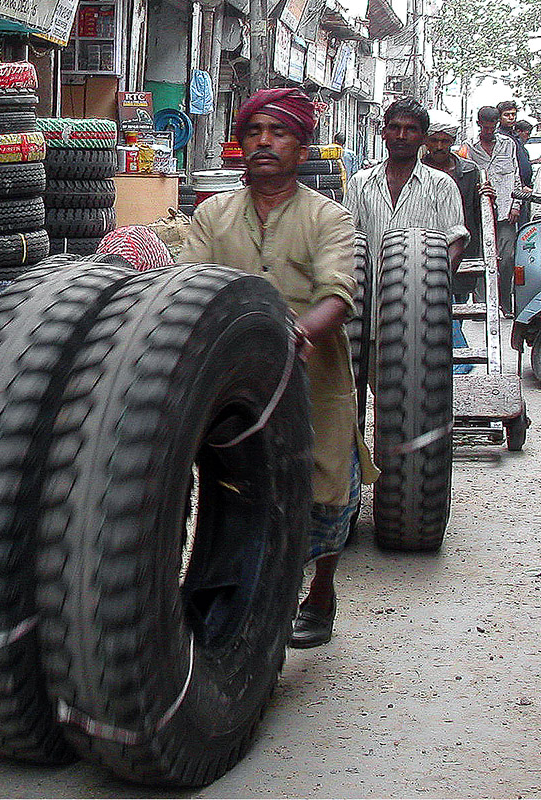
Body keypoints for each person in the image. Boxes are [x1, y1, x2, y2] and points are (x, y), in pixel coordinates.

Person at [180, 88, 378, 649]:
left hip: (314, 377)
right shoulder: (211, 216)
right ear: (238, 145)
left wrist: (295, 334)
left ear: (302, 145)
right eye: (253, 133)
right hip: (233, 384)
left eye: (279, 133)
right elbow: (190, 286)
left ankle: (321, 591)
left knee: (326, 486)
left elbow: (338, 293)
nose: (264, 143)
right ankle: (251, 597)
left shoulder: (328, 218)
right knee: (237, 485)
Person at [344, 99, 469, 277]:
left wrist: (430, 287)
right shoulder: (360, 183)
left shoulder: (442, 185)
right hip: (368, 299)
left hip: (422, 301)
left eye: (410, 129)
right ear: (384, 133)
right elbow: (345, 240)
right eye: (394, 128)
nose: (401, 135)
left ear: (424, 138)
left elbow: (455, 241)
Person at [421, 108, 484, 374]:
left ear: (452, 141)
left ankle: (456, 360)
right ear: (426, 141)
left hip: (463, 252)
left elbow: (476, 216)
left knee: (454, 306)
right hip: (428, 249)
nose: (439, 146)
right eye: (434, 139)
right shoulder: (418, 170)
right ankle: (460, 361)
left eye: (445, 140)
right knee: (440, 307)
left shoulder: (469, 172)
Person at [459, 106, 523, 316]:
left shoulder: (508, 145)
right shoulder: (469, 147)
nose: (489, 131)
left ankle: (504, 304)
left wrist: (516, 205)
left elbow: (515, 176)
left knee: (507, 258)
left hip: (505, 211)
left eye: (492, 127)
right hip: (478, 214)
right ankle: (482, 306)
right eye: (485, 127)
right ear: (479, 124)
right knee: (480, 258)